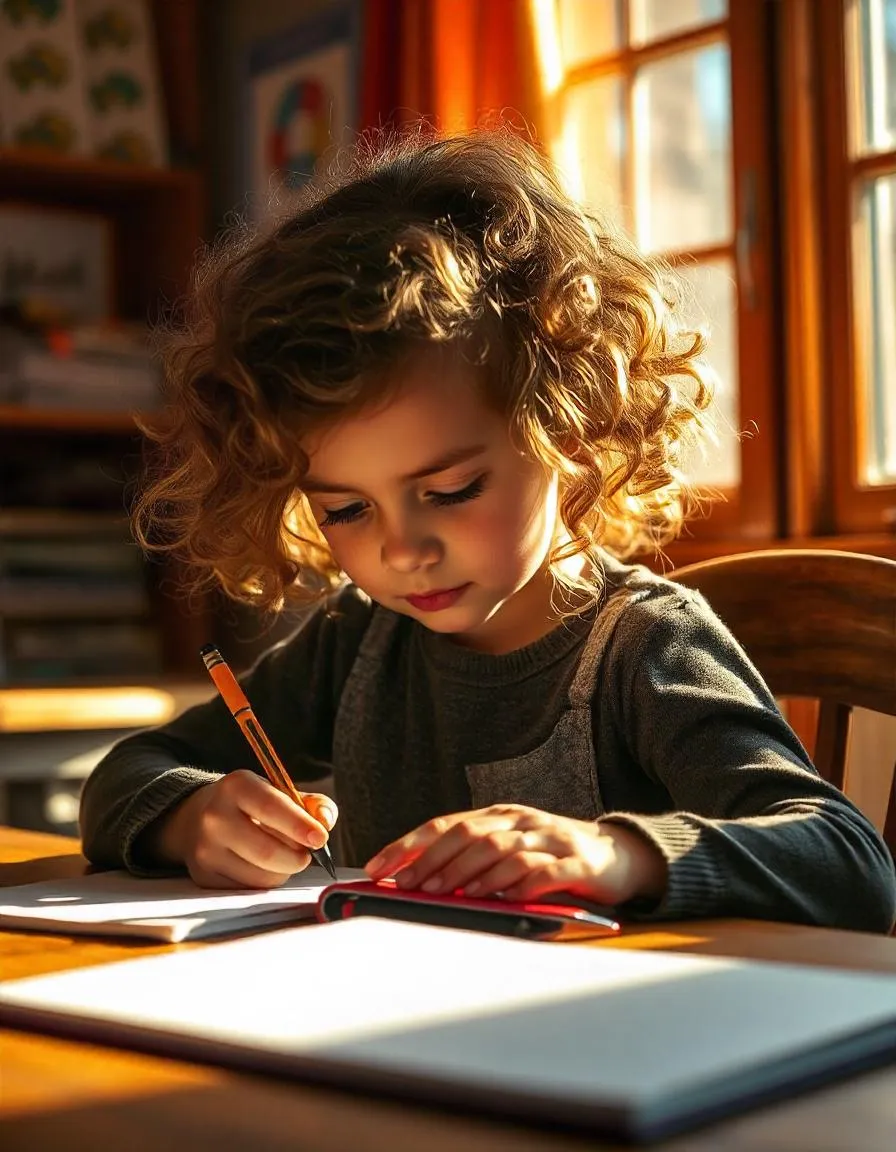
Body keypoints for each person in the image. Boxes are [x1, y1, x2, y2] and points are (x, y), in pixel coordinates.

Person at [80, 129, 895, 932]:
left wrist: (615, 858)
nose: (402, 551)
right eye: (346, 509)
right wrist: (191, 817)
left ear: (569, 429)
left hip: (622, 1043)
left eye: (452, 489)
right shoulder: (359, 642)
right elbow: (125, 775)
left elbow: (850, 862)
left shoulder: (645, 647)